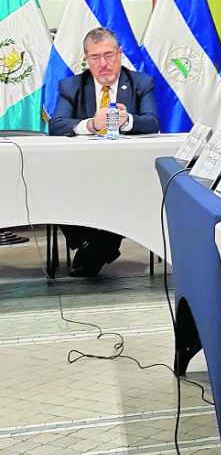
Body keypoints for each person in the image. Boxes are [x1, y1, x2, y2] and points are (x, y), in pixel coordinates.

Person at [49, 27, 159, 276]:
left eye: (109, 55)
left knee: (126, 190)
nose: (103, 63)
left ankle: (97, 247)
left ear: (119, 54)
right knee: (52, 183)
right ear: (86, 59)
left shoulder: (141, 83)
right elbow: (56, 125)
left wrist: (127, 120)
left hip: (127, 171)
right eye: (95, 57)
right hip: (82, 171)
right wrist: (91, 124)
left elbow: (152, 122)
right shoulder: (71, 85)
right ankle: (92, 244)